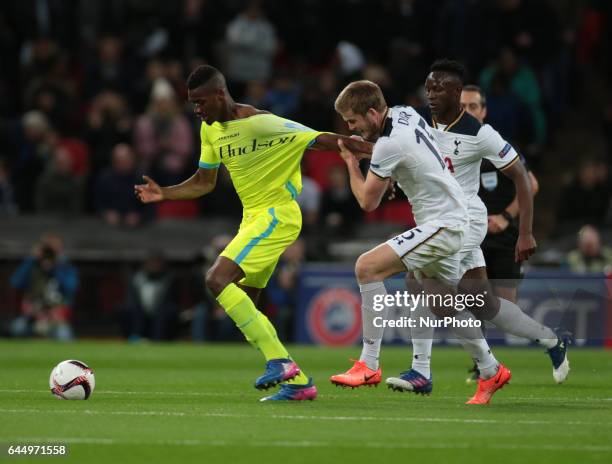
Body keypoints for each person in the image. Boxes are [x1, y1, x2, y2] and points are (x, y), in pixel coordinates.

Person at [135, 65, 372, 402]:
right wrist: (166, 193)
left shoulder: (260, 122)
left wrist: (384, 157)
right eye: (192, 104)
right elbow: (205, 181)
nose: (197, 110)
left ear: (220, 94)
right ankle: (300, 382)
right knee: (245, 301)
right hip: (253, 220)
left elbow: (319, 139)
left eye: (201, 102)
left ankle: (280, 362)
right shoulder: (210, 131)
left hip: (278, 214)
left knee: (216, 280)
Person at [330, 80, 510, 405]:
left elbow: (367, 202)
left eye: (353, 121)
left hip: (445, 223)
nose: (350, 127)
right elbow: (409, 153)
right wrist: (372, 153)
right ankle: (489, 368)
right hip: (452, 217)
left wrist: (349, 161)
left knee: (366, 268)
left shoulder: (388, 145)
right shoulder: (406, 114)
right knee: (439, 300)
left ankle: (369, 364)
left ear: (372, 113)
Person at [10, 234, 79, 341]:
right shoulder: (32, 265)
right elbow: (16, 282)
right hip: (32, 314)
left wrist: (55, 268)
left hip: (55, 315)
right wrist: (31, 259)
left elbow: (71, 288)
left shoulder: (66, 267)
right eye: (47, 248)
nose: (49, 253)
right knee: (17, 328)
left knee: (64, 335)